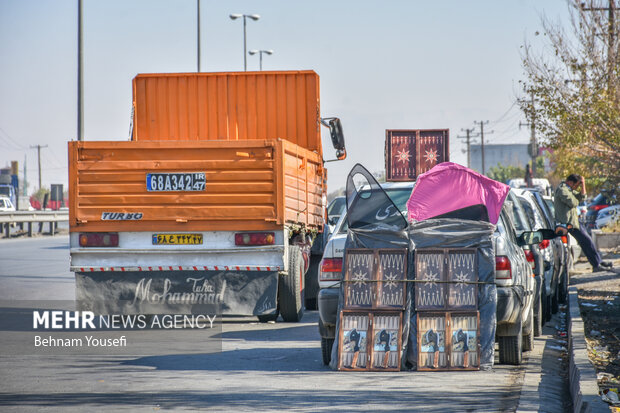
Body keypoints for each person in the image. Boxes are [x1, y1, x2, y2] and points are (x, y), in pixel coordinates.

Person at [554, 174, 613, 272]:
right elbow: (573, 202)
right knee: (586, 241)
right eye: (576, 185)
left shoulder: (569, 189)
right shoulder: (562, 189)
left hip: (574, 221)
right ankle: (596, 264)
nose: (576, 187)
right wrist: (576, 197)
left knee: (588, 241)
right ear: (570, 182)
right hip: (567, 223)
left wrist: (583, 185)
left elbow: (582, 197)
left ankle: (598, 261)